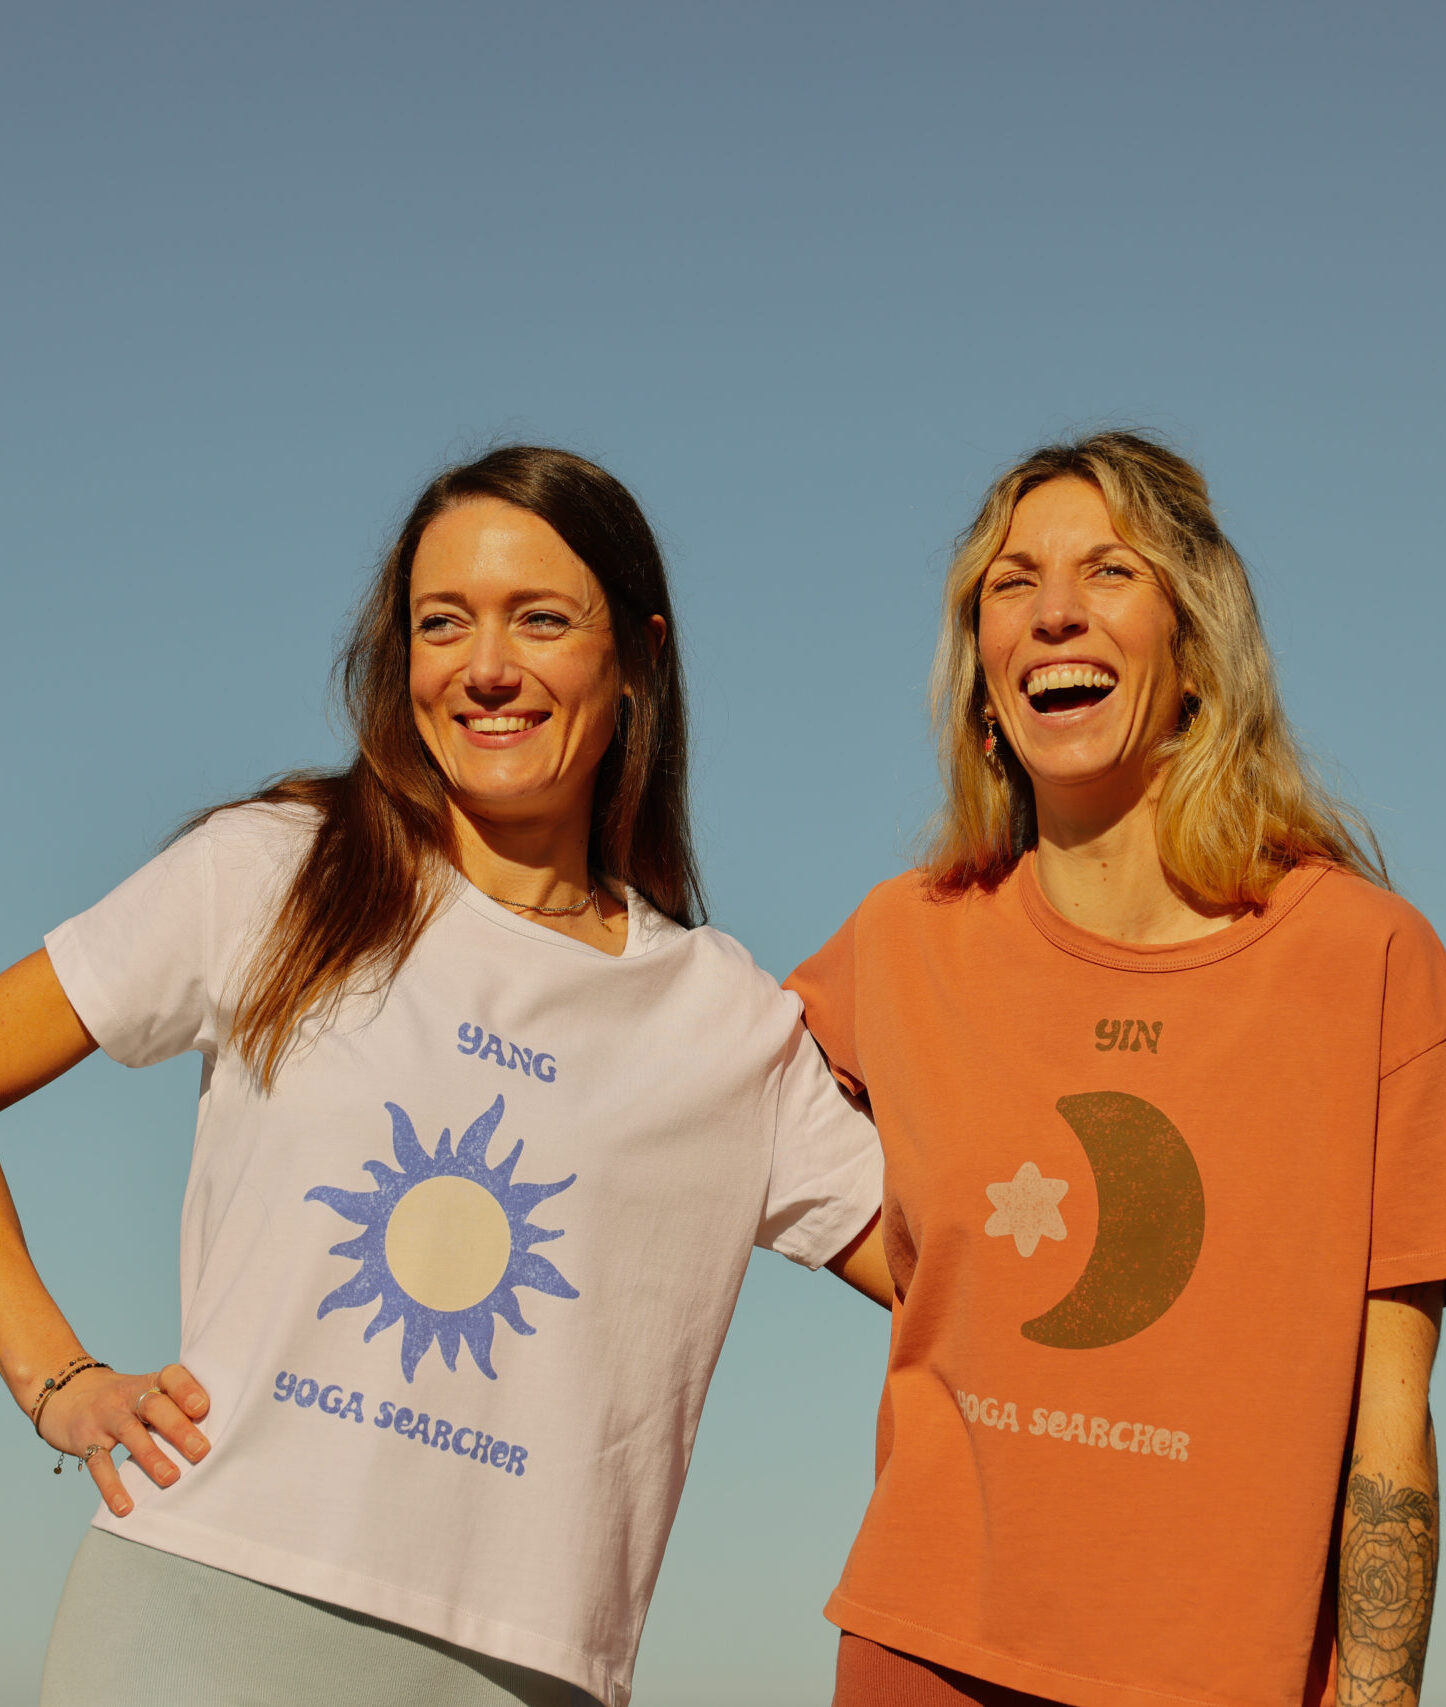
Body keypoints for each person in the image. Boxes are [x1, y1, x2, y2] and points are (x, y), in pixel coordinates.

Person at [0, 445, 887, 1707]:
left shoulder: (726, 1023)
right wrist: (54, 1378)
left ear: (635, 656)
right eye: (442, 622)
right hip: (196, 1620)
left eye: (540, 618)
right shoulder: (272, 874)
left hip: (526, 1673)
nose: (484, 668)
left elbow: (972, 1279)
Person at [787, 432, 1446, 1707]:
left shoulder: (1369, 962)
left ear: (1195, 652)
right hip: (930, 1656)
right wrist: (939, 1261)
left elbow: (1392, 1411)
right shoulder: (905, 936)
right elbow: (700, 1108)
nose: (1055, 614)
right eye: (1010, 583)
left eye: (1110, 572)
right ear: (981, 679)